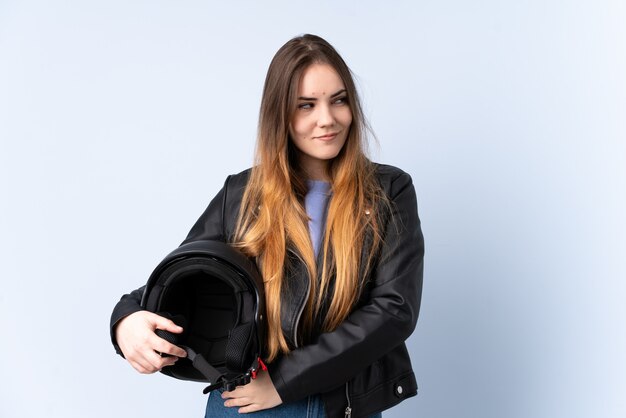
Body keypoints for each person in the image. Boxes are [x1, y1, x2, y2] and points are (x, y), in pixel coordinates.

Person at [110, 34, 424, 418]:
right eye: (305, 105)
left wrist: (284, 382)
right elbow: (179, 282)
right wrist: (125, 321)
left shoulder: (388, 190)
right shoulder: (241, 195)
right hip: (246, 404)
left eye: (338, 100)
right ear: (280, 114)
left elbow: (394, 311)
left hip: (336, 403)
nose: (327, 118)